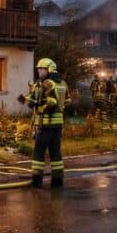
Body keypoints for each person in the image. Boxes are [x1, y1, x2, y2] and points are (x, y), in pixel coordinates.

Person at [18, 58, 69, 188]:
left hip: (44, 124)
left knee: (39, 152)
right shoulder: (62, 83)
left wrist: (24, 100)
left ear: (49, 69)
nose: (39, 71)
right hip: (58, 125)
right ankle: (57, 180)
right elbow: (67, 101)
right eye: (38, 69)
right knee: (55, 152)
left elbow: (37, 102)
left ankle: (37, 180)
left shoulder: (45, 84)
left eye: (42, 69)